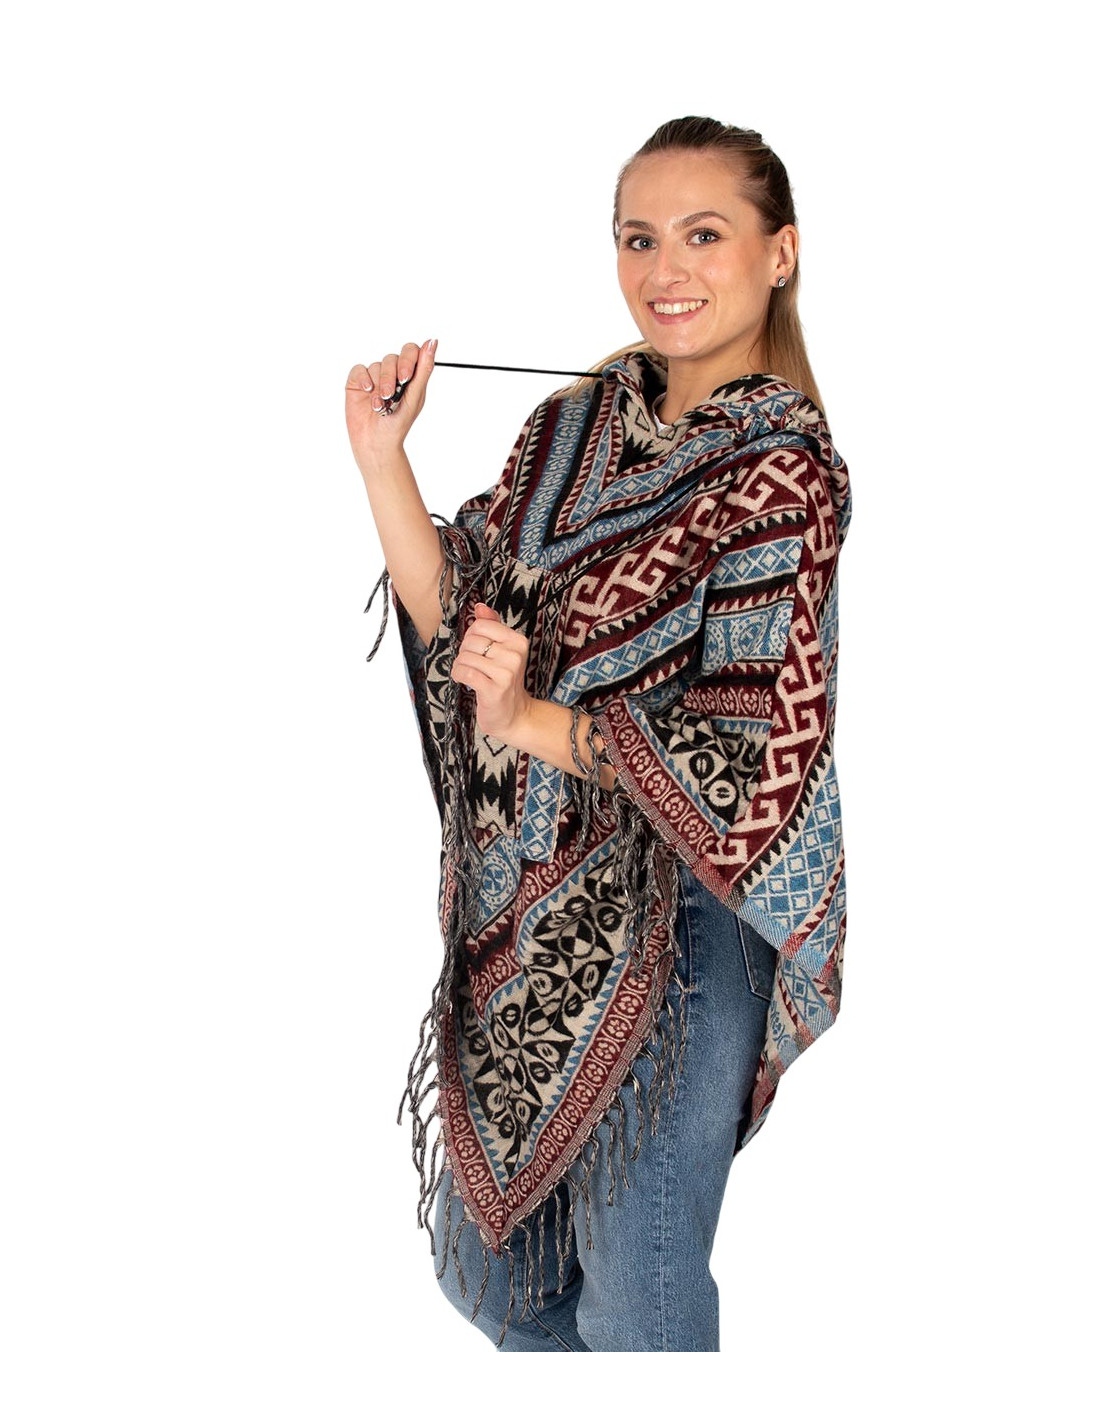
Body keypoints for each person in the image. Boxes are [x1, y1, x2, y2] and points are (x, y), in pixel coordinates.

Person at [344, 116, 852, 1352]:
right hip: (531, 901)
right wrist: (379, 459)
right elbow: (458, 611)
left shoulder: (783, 471)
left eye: (702, 235)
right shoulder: (568, 430)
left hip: (688, 911)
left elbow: (737, 758)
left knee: (638, 1279)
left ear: (778, 254)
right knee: (492, 1275)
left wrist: (532, 717)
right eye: (638, 238)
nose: (663, 269)